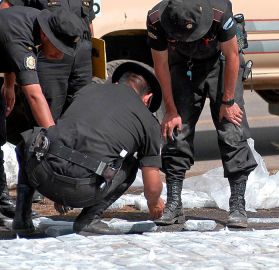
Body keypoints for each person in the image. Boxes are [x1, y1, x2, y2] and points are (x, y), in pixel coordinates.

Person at [12, 62, 165, 236]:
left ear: (116, 83)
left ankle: (22, 218)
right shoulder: (148, 121)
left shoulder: (87, 91)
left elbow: (68, 135)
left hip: (42, 173)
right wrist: (154, 204)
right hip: (83, 190)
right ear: (147, 99)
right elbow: (152, 187)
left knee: (30, 140)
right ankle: (89, 220)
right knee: (130, 165)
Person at [147, 0, 257, 228]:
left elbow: (233, 54)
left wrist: (228, 100)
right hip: (183, 66)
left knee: (231, 127)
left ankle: (238, 204)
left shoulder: (219, 10)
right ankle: (174, 203)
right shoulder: (156, 19)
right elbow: (161, 65)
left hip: (222, 63)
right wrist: (171, 109)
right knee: (175, 129)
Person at [2, 0, 95, 203]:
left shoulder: (34, 24)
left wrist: (9, 84)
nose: (61, 55)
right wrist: (56, 143)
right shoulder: (22, 38)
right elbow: (35, 95)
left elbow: (8, 53)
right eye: (59, 48)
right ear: (45, 35)